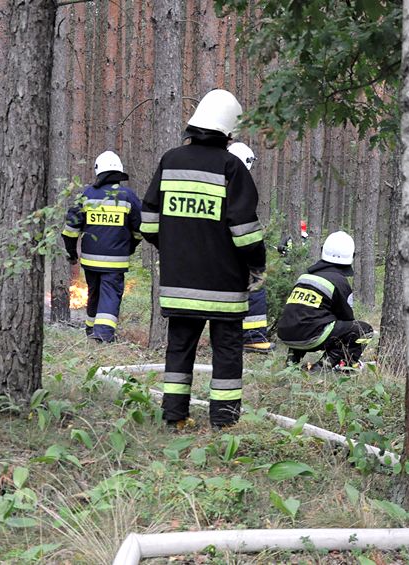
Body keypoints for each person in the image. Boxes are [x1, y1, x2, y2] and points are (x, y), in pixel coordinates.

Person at [140, 89, 266, 429]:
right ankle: (224, 422)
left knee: (179, 349)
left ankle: (174, 416)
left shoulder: (170, 160)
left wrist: (173, 248)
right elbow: (245, 231)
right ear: (227, 131)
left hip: (179, 283)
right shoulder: (231, 166)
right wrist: (257, 264)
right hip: (224, 287)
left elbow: (148, 221)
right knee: (227, 353)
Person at [62, 150, 143, 342]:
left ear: (98, 171)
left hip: (90, 260)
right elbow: (140, 229)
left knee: (94, 294)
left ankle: (91, 331)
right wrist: (130, 247)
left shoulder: (87, 194)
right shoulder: (128, 196)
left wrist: (72, 253)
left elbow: (70, 229)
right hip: (116, 262)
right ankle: (103, 335)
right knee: (110, 296)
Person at [277, 231, 374, 370]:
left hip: (286, 335)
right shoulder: (339, 281)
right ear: (351, 256)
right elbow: (347, 318)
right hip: (311, 337)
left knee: (303, 322)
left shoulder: (304, 277)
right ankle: (327, 366)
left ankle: (291, 362)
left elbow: (296, 311)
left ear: (323, 251)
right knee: (363, 330)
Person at [228, 141, 274, 353]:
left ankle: (234, 334)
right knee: (255, 282)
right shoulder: (238, 189)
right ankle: (253, 336)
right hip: (231, 250)